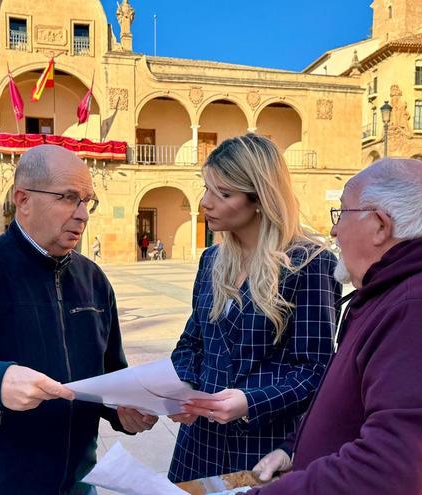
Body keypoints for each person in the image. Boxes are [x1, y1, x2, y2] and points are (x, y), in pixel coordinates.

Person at [249, 158, 422, 494]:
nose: (334, 231)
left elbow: (387, 472)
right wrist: (295, 449)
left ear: (380, 224)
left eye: (341, 213)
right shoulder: (405, 291)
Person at [0, 145, 157, 494]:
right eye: (68, 198)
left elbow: (110, 373)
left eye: (87, 201)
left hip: (78, 484)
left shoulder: (93, 279)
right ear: (23, 200)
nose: (83, 214)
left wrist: (122, 410)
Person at [168, 134, 339, 483]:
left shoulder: (309, 264)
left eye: (223, 194)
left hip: (263, 448)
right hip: (197, 445)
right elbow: (191, 343)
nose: (205, 203)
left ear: (259, 198)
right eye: (206, 189)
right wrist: (183, 385)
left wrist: (250, 401)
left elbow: (315, 369)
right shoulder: (211, 260)